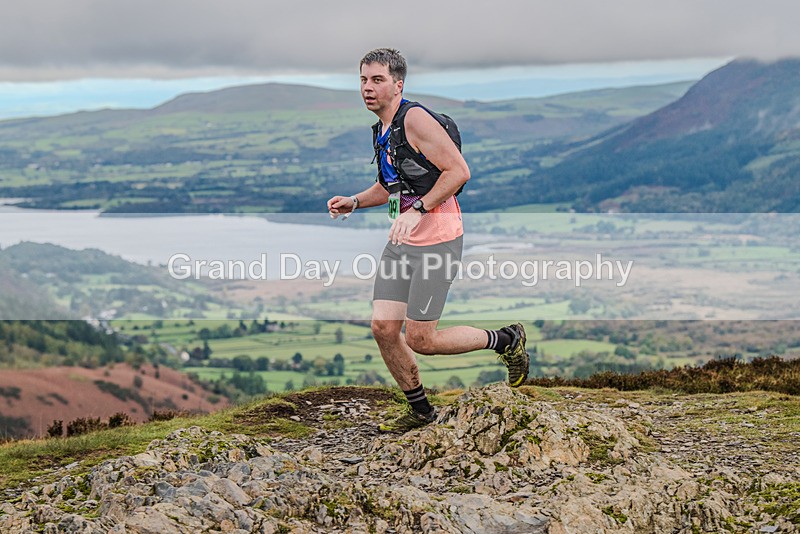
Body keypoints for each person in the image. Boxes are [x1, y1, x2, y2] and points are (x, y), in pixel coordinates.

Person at [327, 48, 529, 433]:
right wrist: (354, 201)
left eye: (377, 80)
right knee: (384, 328)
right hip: (402, 241)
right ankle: (421, 411)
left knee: (421, 338)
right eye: (363, 80)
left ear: (398, 84)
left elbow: (458, 172)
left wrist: (417, 211)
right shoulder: (384, 130)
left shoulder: (414, 119)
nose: (367, 88)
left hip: (438, 240)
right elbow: (391, 186)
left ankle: (505, 340)